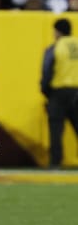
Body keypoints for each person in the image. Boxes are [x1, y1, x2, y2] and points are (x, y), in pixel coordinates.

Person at [41, 18, 78, 169]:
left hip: (59, 92)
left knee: (56, 129)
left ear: (57, 31)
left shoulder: (55, 47)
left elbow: (47, 70)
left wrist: (46, 91)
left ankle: (55, 163)